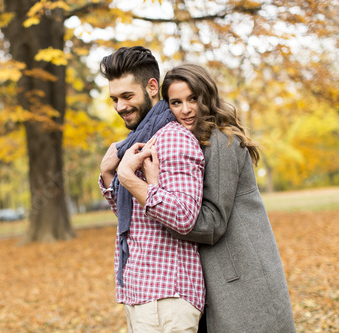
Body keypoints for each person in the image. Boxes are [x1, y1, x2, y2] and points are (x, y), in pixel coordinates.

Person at [140, 63, 296, 332]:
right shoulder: (192, 142)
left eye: (193, 99)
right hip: (221, 277)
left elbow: (212, 223)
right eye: (176, 102)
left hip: (241, 278)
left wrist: (153, 190)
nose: (186, 110)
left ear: (207, 96)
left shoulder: (221, 141)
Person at [98, 46, 206, 332]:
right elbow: (135, 218)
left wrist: (129, 177)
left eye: (127, 96)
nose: (120, 106)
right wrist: (110, 176)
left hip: (167, 296)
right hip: (141, 291)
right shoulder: (139, 142)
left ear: (152, 87)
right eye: (114, 99)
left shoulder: (173, 139)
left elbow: (184, 217)